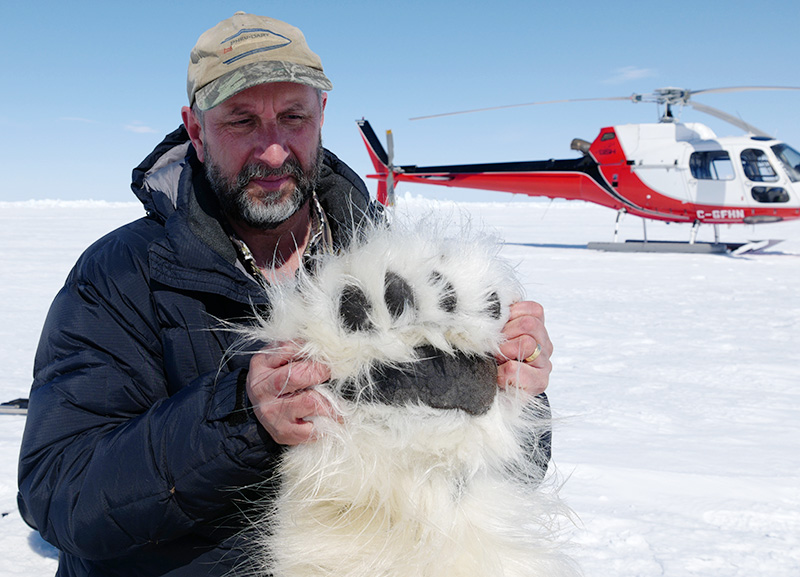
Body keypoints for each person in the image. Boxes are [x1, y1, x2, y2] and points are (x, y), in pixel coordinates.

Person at [17, 12, 554, 577]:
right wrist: (241, 418)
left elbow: (516, 475)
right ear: (196, 131)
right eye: (242, 121)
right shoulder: (122, 275)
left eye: (293, 117)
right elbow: (60, 492)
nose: (272, 152)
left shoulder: (403, 265)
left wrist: (514, 395)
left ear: (322, 116)